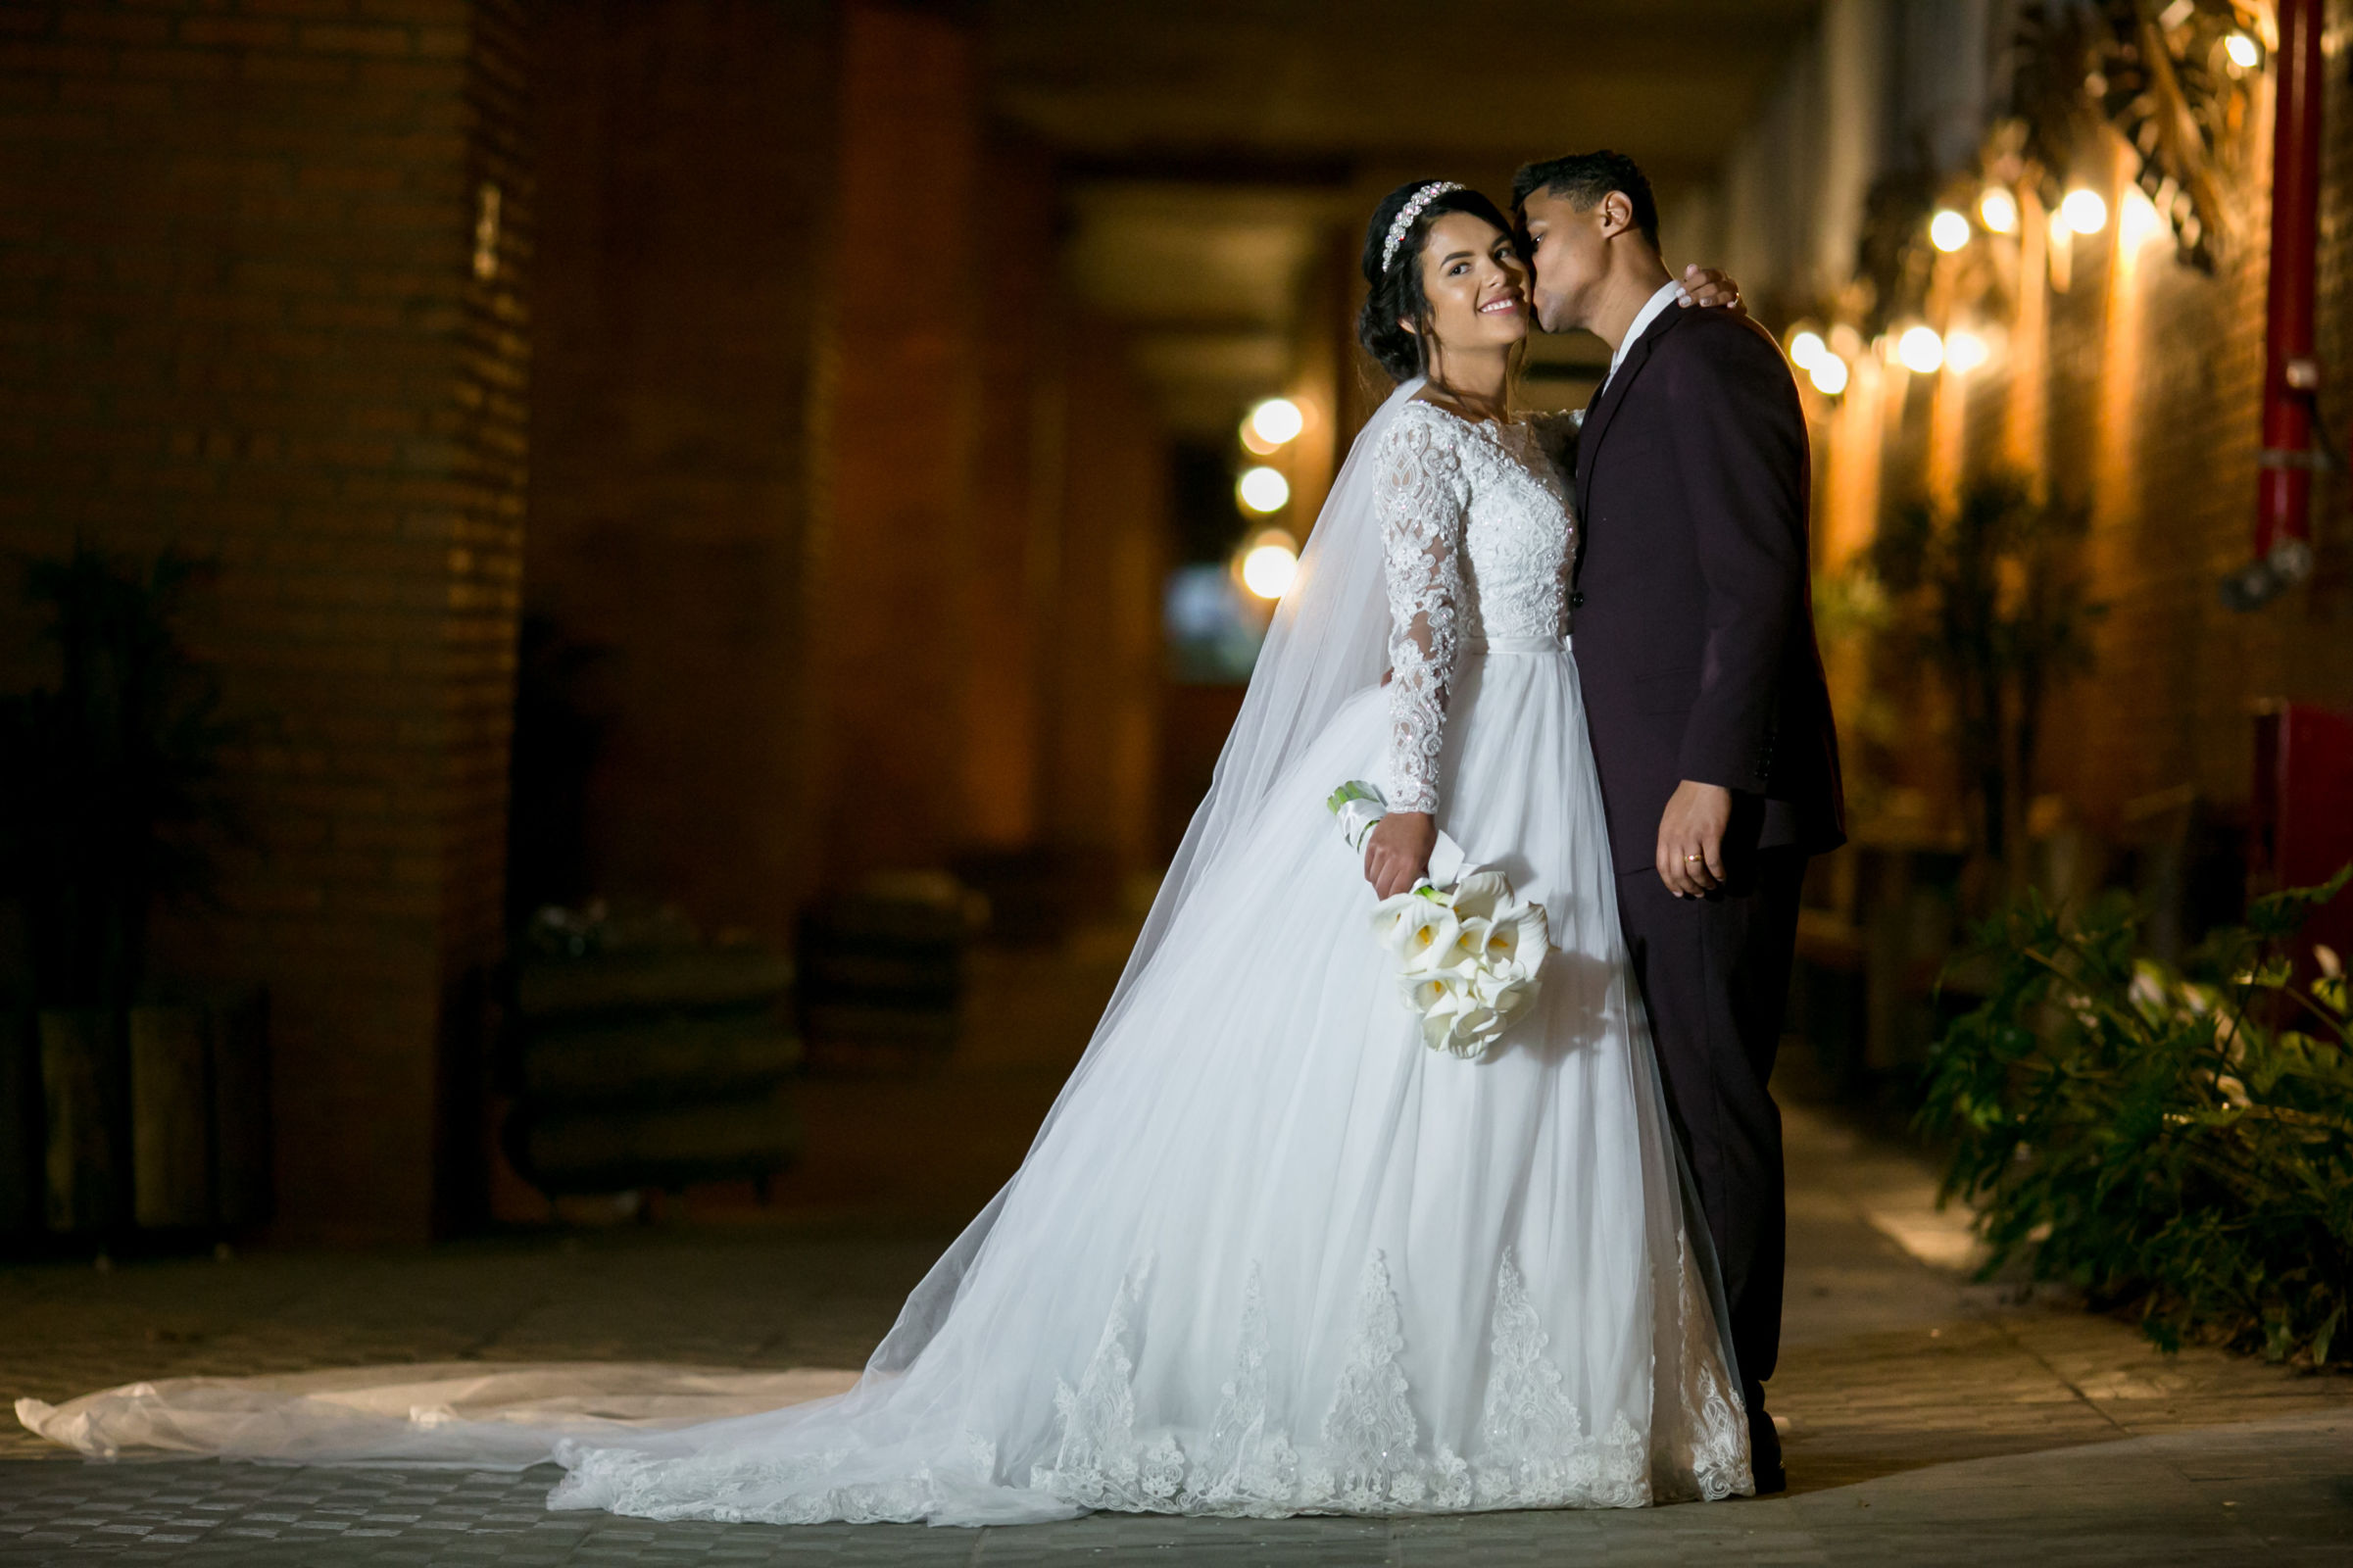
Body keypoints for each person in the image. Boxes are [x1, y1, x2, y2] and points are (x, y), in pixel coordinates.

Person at [21, 183, 1757, 1526]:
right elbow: (1423, 642)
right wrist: (1406, 811)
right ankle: (1392, 1387)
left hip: (1548, 767)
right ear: (1407, 311)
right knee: (1420, 1076)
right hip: (1455, 774)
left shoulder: (1527, 432)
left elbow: (1613, 512)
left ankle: (1521, 1379)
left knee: (1525, 1085)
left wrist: (1687, 318)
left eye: (1499, 257)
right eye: (1459, 267)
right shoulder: (1416, 446)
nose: (1494, 279)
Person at [1514, 150, 1847, 1494]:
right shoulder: (1640, 370)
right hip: (1638, 812)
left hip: (1705, 811)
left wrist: (1712, 773)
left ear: (1612, 219)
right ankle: (1691, 1392)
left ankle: (1740, 1411)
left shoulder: (1707, 356)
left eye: (1536, 237)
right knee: (1669, 1103)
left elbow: (1755, 577)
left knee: (1714, 1099)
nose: (1525, 267)